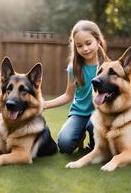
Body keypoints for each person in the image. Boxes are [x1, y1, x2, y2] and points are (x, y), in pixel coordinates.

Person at [43, 20, 106, 154]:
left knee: (92, 125)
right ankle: (79, 132)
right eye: (79, 45)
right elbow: (68, 96)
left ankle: (94, 145)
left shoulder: (107, 67)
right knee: (64, 144)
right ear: (75, 47)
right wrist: (45, 104)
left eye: (88, 43)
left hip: (100, 114)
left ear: (99, 41)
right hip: (79, 113)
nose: (85, 48)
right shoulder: (74, 68)